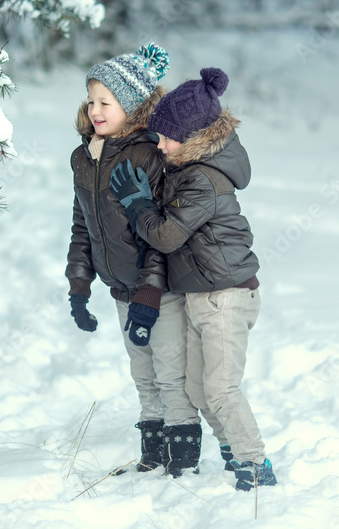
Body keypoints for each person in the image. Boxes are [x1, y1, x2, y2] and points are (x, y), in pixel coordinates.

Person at [108, 66, 277, 492]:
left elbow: (165, 235)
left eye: (167, 137)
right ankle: (232, 452)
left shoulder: (202, 178)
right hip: (203, 296)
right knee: (199, 391)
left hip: (226, 297)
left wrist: (137, 204)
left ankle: (255, 466)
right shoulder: (187, 169)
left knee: (220, 389)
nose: (159, 144)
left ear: (195, 137)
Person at [65, 44, 202, 476]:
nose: (96, 109)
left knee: (170, 374)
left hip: (158, 290)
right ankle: (154, 455)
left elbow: (162, 234)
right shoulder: (84, 157)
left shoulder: (148, 155)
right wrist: (79, 286)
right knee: (142, 373)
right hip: (121, 288)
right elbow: (82, 227)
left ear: (132, 105)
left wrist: (149, 292)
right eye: (92, 100)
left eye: (106, 101)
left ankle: (182, 460)